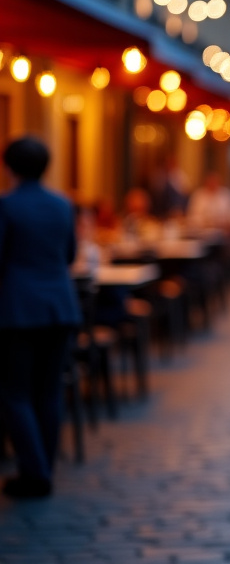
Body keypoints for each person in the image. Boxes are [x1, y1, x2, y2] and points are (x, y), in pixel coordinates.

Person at [0, 137, 81, 499]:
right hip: (60, 307)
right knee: (49, 392)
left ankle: (35, 473)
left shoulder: (7, 206)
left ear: (9, 167)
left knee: (15, 393)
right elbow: (68, 255)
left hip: (18, 309)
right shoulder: (63, 205)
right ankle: (42, 468)